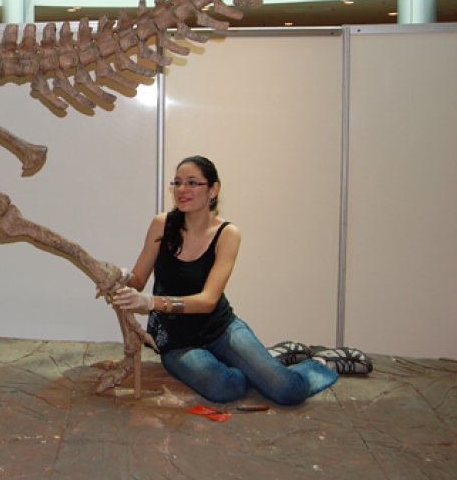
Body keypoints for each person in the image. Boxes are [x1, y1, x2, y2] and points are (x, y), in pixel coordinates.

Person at [114, 155, 371, 406]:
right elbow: (137, 280)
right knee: (226, 388)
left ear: (213, 189)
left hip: (221, 330)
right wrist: (118, 277)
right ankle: (271, 360)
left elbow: (207, 301)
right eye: (177, 182)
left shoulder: (227, 234)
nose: (182, 189)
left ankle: (320, 363)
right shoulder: (162, 224)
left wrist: (149, 302)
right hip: (177, 343)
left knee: (288, 391)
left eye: (192, 182)